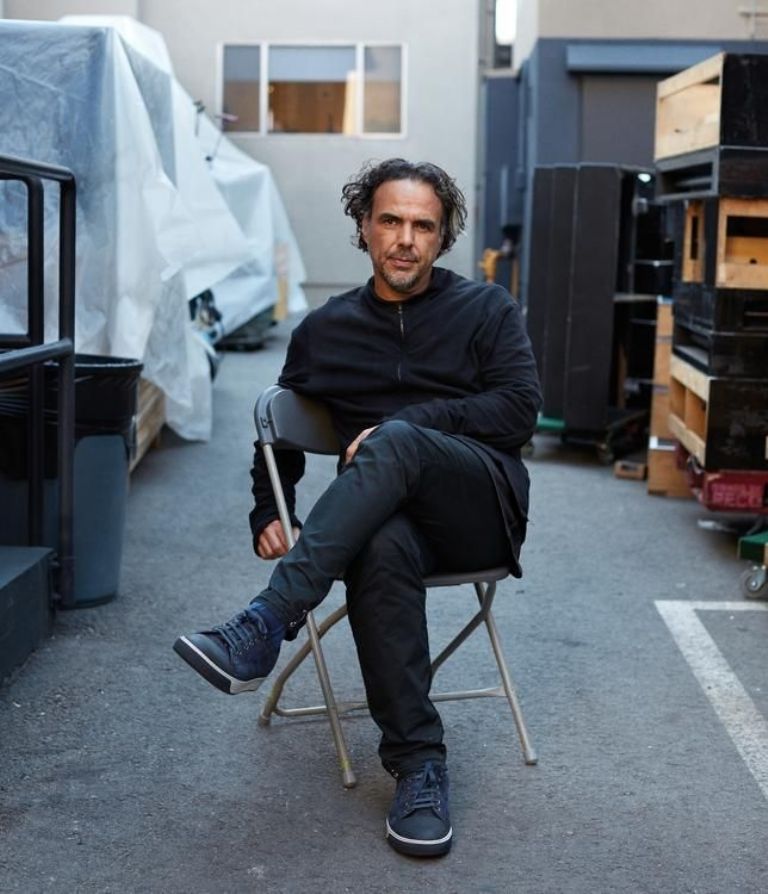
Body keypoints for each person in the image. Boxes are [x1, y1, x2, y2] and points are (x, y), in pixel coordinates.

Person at [174, 158, 542, 858]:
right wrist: (268, 509)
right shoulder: (326, 331)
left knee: (398, 440)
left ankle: (267, 620)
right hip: (383, 522)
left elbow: (520, 408)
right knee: (378, 545)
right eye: (390, 221)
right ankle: (419, 766)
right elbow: (279, 435)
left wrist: (415, 423)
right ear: (364, 227)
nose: (405, 239)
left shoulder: (486, 309)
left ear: (442, 237)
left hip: (477, 509)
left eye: (423, 226)